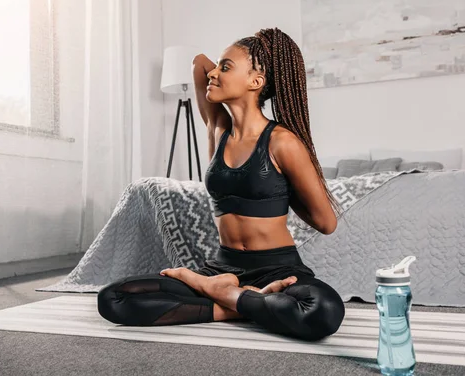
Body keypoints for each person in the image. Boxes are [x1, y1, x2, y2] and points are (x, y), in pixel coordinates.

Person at [97, 27, 345, 341]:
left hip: (277, 270)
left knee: (323, 310)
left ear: (256, 81)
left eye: (225, 68)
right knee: (114, 298)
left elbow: (327, 222)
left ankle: (219, 295)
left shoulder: (282, 142)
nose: (213, 73)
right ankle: (244, 302)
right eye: (218, 66)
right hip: (221, 267)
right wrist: (235, 56)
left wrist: (280, 187)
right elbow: (198, 63)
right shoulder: (218, 128)